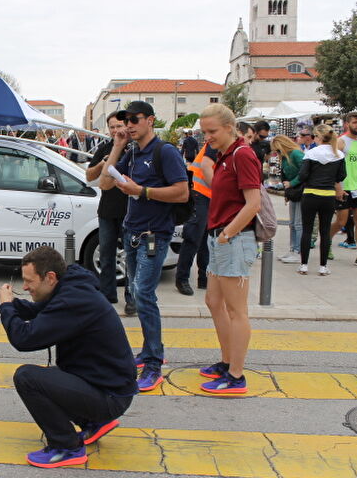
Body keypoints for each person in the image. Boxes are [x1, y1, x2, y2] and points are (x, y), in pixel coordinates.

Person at [0, 246, 137, 469]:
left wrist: (8, 304)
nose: (25, 287)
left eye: (29, 281)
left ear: (50, 277)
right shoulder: (70, 288)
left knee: (27, 377)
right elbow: (35, 311)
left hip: (109, 396)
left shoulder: (72, 301)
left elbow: (23, 339)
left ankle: (66, 447)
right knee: (50, 376)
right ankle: (93, 422)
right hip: (105, 385)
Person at [99, 101, 189, 391]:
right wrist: (117, 145)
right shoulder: (134, 152)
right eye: (125, 121)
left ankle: (154, 361)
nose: (129, 125)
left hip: (155, 234)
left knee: (143, 294)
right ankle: (149, 351)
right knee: (138, 296)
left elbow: (182, 193)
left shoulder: (165, 152)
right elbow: (105, 182)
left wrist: (143, 191)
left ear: (150, 120)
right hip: (133, 232)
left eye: (134, 120)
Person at [198, 103, 261, 395]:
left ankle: (236, 375)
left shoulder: (242, 154)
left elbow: (253, 204)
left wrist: (226, 234)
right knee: (213, 301)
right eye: (204, 132)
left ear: (228, 127)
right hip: (221, 237)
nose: (206, 137)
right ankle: (226, 363)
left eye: (211, 131)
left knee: (237, 310)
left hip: (233, 239)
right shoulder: (225, 155)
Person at [85, 112, 135, 315]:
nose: (115, 130)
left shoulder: (135, 149)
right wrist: (102, 163)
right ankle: (107, 295)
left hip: (131, 212)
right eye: (112, 127)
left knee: (131, 258)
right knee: (106, 255)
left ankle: (132, 299)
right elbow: (89, 176)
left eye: (119, 126)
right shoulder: (105, 148)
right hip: (107, 211)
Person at [297, 124, 346, 275]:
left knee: (307, 229)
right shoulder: (338, 155)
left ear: (317, 137)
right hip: (328, 196)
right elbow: (341, 176)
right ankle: (323, 267)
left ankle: (304, 265)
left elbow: (302, 175)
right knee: (325, 232)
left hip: (310, 194)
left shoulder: (310, 154)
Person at [328, 112, 357, 269]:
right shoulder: (341, 142)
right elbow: (333, 165)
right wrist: (337, 187)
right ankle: (326, 242)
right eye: (355, 122)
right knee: (341, 221)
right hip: (345, 188)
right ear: (347, 124)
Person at [174, 141, 217, 295]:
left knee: (206, 238)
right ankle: (182, 279)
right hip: (199, 194)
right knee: (193, 237)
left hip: (208, 196)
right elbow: (206, 167)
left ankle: (203, 278)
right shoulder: (216, 143)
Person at [274, 135, 305, 264]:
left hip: (301, 191)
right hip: (294, 192)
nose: (276, 153)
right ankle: (293, 249)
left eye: (277, 150)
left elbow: (305, 172)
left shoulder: (296, 154)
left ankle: (298, 251)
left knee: (298, 223)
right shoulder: (285, 157)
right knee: (292, 224)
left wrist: (292, 183)